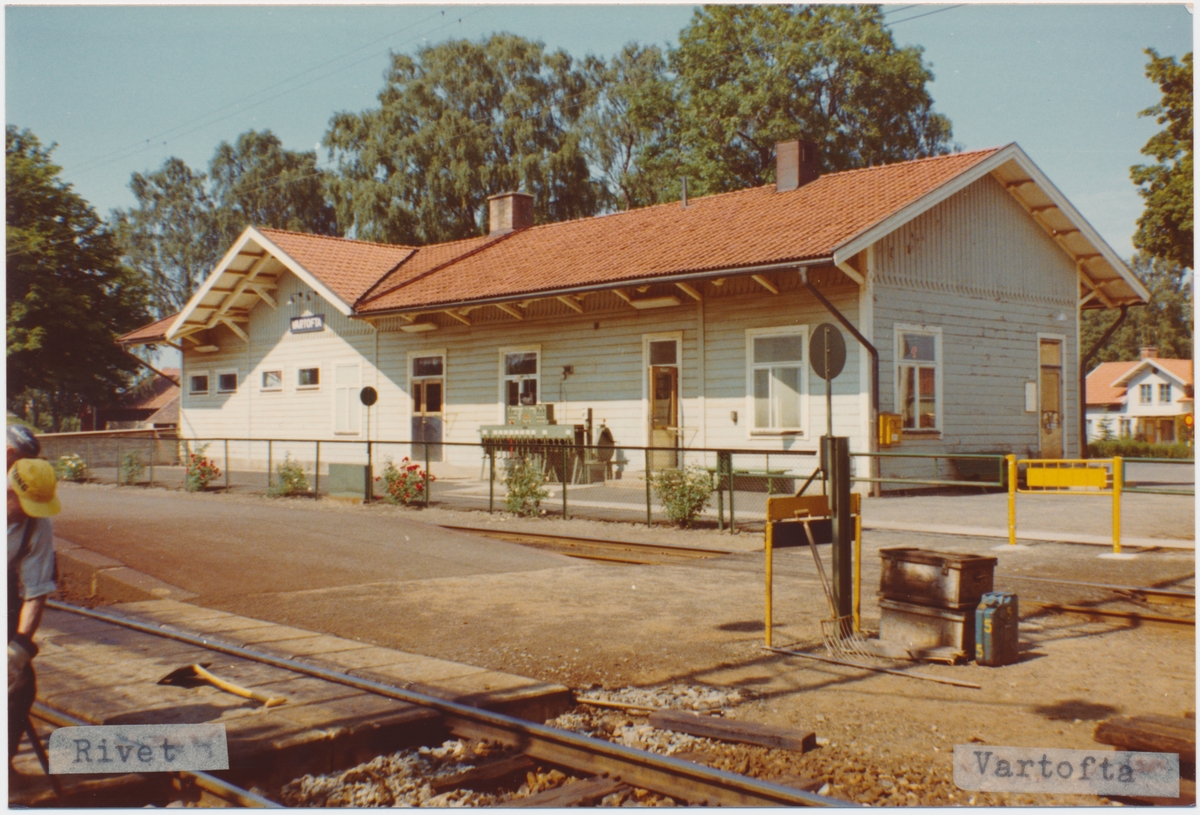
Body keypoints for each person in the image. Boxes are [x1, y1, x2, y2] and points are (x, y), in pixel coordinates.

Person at [7, 444, 60, 765]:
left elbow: (36, 592)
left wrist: (16, 652)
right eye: (25, 504)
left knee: (20, 684)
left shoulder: (37, 524)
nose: (32, 513)